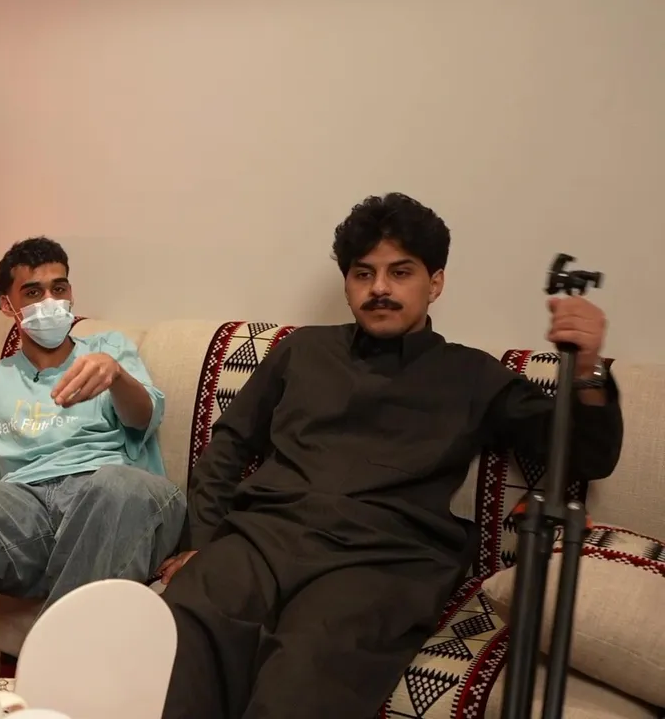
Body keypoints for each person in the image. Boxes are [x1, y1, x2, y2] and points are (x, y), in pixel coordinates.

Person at [155, 193, 623, 719]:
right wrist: (203, 542)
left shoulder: (472, 374)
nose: (379, 288)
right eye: (364, 273)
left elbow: (586, 456)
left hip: (380, 559)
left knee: (304, 676)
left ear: (435, 282)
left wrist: (588, 368)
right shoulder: (303, 350)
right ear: (348, 284)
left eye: (400, 272)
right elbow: (229, 444)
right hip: (263, 538)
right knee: (183, 624)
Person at [0, 236, 186, 675]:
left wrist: (117, 377)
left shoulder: (108, 351)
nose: (50, 301)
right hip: (29, 508)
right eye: (33, 292)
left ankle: (51, 666)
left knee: (112, 487)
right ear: (8, 306)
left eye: (59, 288)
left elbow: (145, 417)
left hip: (117, 495)